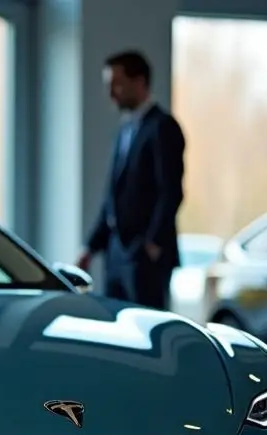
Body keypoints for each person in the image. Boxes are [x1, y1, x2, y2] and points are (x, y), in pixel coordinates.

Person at [77, 49, 186, 310]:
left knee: (147, 331)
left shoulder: (163, 127)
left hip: (144, 255)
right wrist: (90, 247)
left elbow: (171, 190)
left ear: (139, 82)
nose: (111, 93)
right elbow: (113, 194)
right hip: (116, 252)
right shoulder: (125, 130)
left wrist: (152, 244)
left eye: (117, 84)